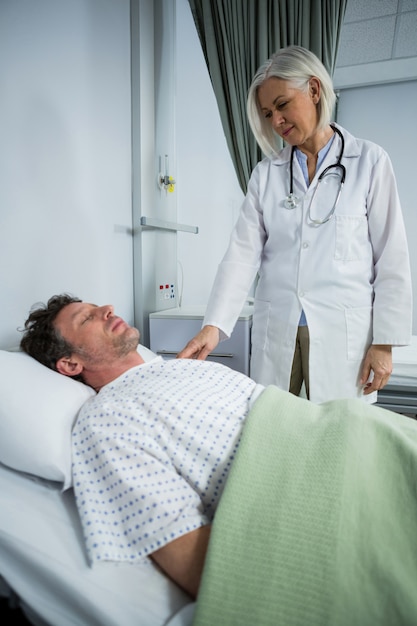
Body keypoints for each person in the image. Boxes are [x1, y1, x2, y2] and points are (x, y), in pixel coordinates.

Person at [19, 295, 417, 622]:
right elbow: (179, 541)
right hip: (316, 481)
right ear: (70, 364)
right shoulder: (106, 420)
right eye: (88, 317)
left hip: (345, 431)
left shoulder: (176, 368)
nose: (106, 308)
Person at [177, 45, 412, 404]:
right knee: (273, 422)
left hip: (342, 330)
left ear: (315, 91)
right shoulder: (266, 174)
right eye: (268, 113)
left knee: (340, 432)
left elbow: (391, 258)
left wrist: (384, 344)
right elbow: (241, 255)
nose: (276, 122)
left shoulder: (370, 162)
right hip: (280, 325)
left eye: (282, 105)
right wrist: (214, 325)